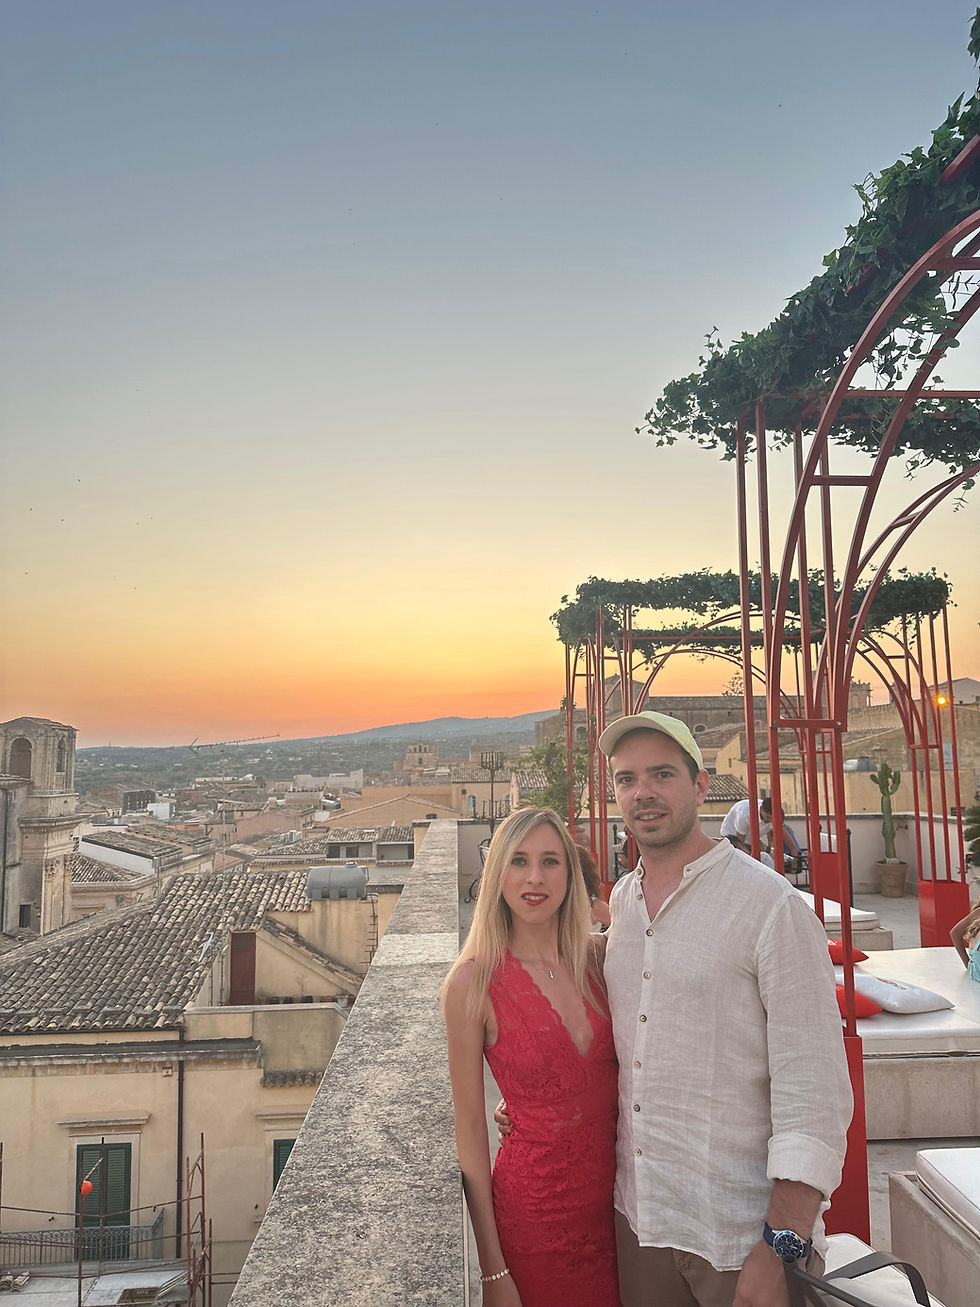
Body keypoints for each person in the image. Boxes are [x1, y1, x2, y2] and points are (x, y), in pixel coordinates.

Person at [598, 711, 852, 1307]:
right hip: (643, 1223)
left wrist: (781, 1246)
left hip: (741, 1240)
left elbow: (814, 1095)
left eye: (662, 774)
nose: (643, 793)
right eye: (626, 779)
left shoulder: (770, 907)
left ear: (701, 783)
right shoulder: (624, 904)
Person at [442, 806, 620, 1307]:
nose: (535, 877)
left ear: (571, 873)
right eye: (519, 861)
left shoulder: (602, 959)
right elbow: (471, 1131)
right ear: (497, 873)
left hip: (623, 1213)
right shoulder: (472, 984)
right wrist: (493, 1271)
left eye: (551, 861)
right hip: (536, 1221)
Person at [720, 796, 801, 870]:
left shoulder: (771, 814)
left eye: (772, 819)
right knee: (744, 861)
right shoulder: (744, 815)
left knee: (764, 858)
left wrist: (793, 850)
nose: (770, 821)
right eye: (768, 818)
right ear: (761, 809)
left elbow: (777, 831)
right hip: (733, 837)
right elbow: (739, 841)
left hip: (753, 837)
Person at [951, 902, 980, 980]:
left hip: (975, 972)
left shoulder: (978, 913)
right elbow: (955, 933)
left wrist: (968, 964)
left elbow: (955, 932)